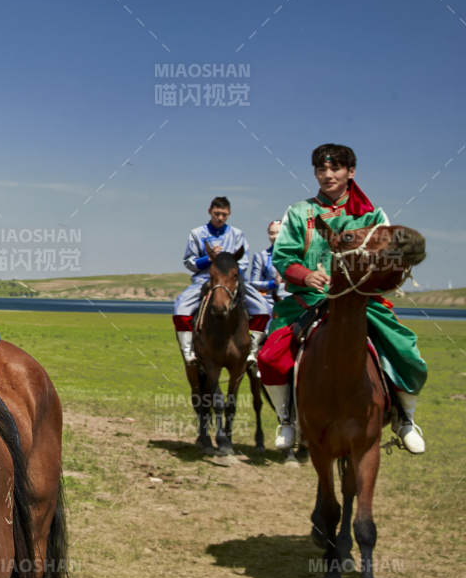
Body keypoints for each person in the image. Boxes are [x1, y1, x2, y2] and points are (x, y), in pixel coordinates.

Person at [260, 143, 428, 454]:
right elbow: (283, 257)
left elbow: (389, 257)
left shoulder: (374, 215)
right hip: (308, 301)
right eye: (321, 169)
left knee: (406, 351)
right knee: (270, 356)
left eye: (335, 168)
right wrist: (306, 275)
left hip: (362, 302)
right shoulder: (299, 212)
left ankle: (406, 418)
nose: (327, 175)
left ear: (350, 172)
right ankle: (287, 418)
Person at [171, 197, 272, 366]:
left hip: (232, 280)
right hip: (205, 278)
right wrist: (208, 259)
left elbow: (244, 262)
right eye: (217, 214)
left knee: (263, 308)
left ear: (229, 214)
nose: (220, 218)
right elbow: (189, 261)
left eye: (224, 215)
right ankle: (188, 352)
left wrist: (227, 267)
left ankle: (252, 349)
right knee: (180, 308)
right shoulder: (197, 234)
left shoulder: (237, 234)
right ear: (209, 211)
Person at [243, 220, 284, 367]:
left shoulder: (295, 255)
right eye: (272, 233)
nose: (275, 236)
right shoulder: (261, 256)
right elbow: (253, 282)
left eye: (278, 232)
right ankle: (254, 352)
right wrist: (274, 284)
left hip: (290, 299)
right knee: (263, 315)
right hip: (268, 299)